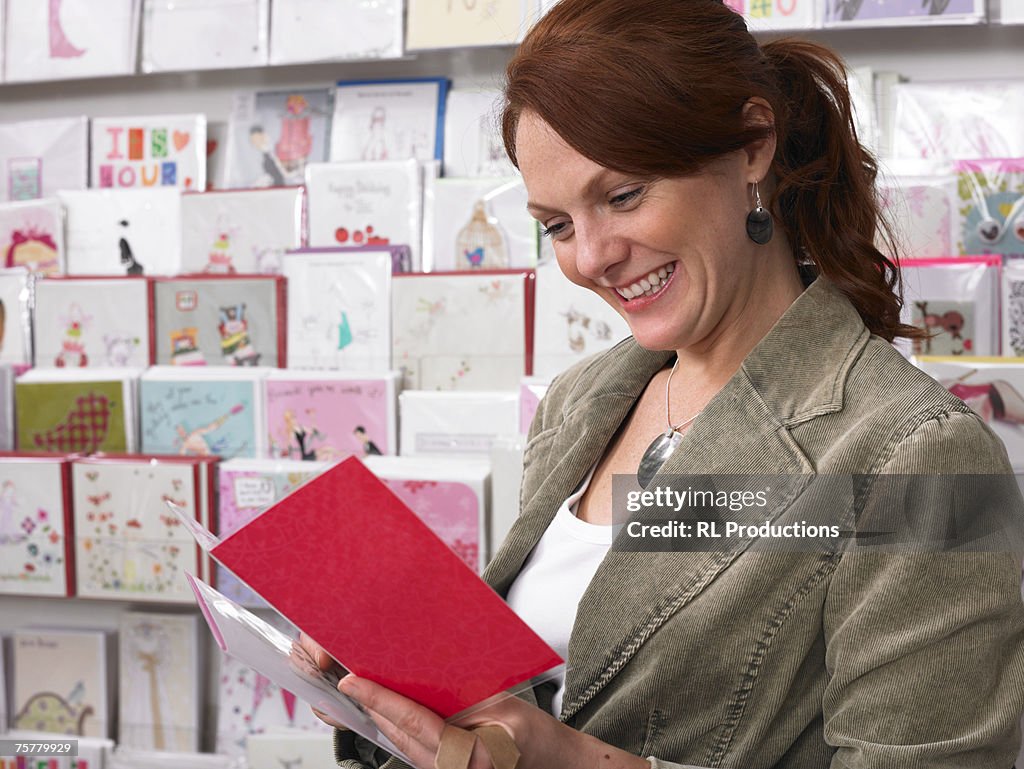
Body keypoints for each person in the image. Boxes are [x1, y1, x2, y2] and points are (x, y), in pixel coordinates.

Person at [302, 1, 1024, 767]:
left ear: (752, 146)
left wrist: (563, 758)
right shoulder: (581, 402)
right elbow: (546, 687)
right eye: (557, 226)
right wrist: (396, 690)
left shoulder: (917, 459)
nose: (592, 257)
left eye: (622, 196)